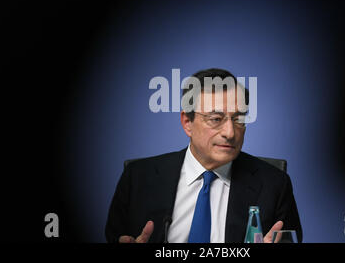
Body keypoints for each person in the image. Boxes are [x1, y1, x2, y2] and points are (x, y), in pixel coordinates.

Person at [105, 68, 302, 243]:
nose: (230, 132)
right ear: (187, 122)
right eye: (216, 119)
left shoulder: (274, 185)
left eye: (238, 119)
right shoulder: (137, 177)